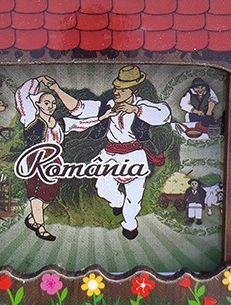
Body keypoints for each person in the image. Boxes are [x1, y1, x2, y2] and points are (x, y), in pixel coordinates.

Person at [49, 65, 172, 240]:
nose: (116, 92)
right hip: (110, 154)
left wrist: (136, 110)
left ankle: (129, 224)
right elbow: (78, 108)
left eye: (122, 89)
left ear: (134, 89)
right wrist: (56, 89)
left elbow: (164, 115)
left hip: (135, 155)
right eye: (116, 88)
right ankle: (117, 201)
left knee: (134, 196)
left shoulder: (142, 105)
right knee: (103, 189)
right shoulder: (108, 105)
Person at [14, 77, 67, 241]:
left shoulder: (57, 123)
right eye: (46, 103)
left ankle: (32, 219)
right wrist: (38, 80)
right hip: (37, 159)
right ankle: (41, 228)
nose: (50, 106)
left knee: (50, 194)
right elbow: (22, 94)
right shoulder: (31, 117)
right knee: (37, 192)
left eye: (53, 103)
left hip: (55, 161)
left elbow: (78, 124)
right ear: (38, 104)